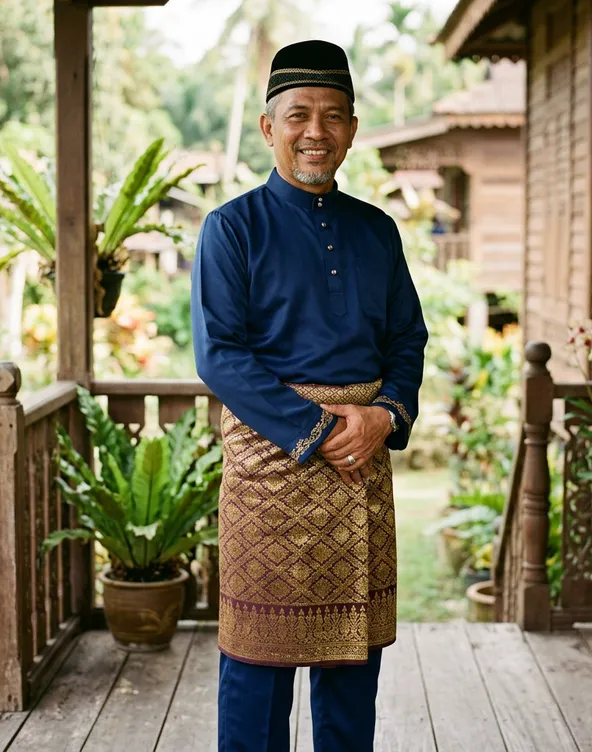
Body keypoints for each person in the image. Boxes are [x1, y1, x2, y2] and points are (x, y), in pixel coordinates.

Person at [191, 39, 428, 752]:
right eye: (298, 115)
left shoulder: (378, 230)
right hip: (270, 473)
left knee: (353, 664)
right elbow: (219, 354)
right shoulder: (231, 228)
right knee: (256, 667)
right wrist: (320, 430)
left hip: (362, 467)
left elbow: (408, 339)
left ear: (352, 129)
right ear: (270, 127)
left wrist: (384, 415)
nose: (315, 132)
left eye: (332, 116)